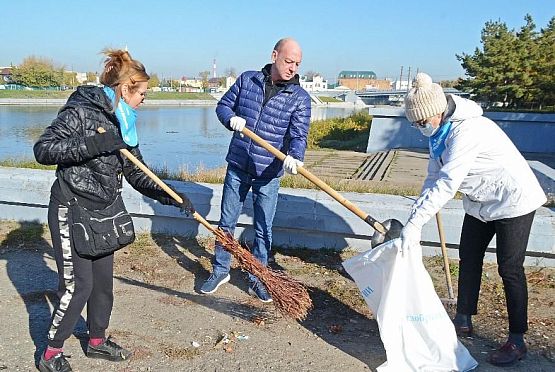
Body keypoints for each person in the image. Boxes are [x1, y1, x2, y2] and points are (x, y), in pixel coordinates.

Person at [33, 49, 194, 372]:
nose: (145, 100)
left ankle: (96, 341)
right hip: (72, 207)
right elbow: (44, 149)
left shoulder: (124, 123)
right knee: (79, 285)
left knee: (103, 284)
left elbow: (136, 172)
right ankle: (50, 353)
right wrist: (93, 145)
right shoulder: (80, 112)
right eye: (143, 93)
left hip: (103, 211)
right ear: (125, 89)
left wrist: (170, 195)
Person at [400, 72, 547, 367]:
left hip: (513, 200)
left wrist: (416, 225)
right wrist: (414, 216)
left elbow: (448, 182)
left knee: (510, 268)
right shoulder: (440, 133)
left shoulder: (467, 131)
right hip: (481, 201)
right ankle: (464, 318)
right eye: (414, 123)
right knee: (468, 256)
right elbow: (433, 177)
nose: (419, 128)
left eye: (420, 122)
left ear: (436, 113)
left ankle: (517, 340)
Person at [200, 38, 311, 302]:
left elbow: (298, 136)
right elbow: (223, 106)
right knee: (226, 222)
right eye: (288, 61)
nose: (292, 68)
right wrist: (230, 119)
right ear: (274, 55)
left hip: (268, 173)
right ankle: (220, 269)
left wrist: (295, 157)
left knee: (263, 228)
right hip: (238, 164)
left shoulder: (300, 99)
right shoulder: (247, 80)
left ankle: (258, 277)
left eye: (297, 63)